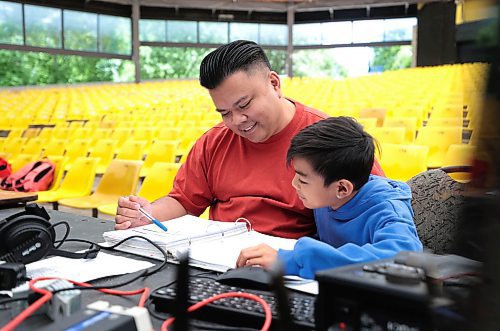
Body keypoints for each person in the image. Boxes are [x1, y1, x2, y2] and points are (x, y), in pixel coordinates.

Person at [114, 40, 384, 238]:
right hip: (216, 259)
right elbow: (185, 201)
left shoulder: (329, 139)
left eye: (244, 105)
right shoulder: (213, 142)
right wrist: (146, 215)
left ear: (274, 84)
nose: (237, 121)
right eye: (224, 113)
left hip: (291, 266)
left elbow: (379, 208)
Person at [236, 116, 423, 279]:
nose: (294, 184)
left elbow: (405, 258)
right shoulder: (328, 198)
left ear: (342, 188)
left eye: (303, 179)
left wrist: (291, 261)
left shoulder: (387, 210)